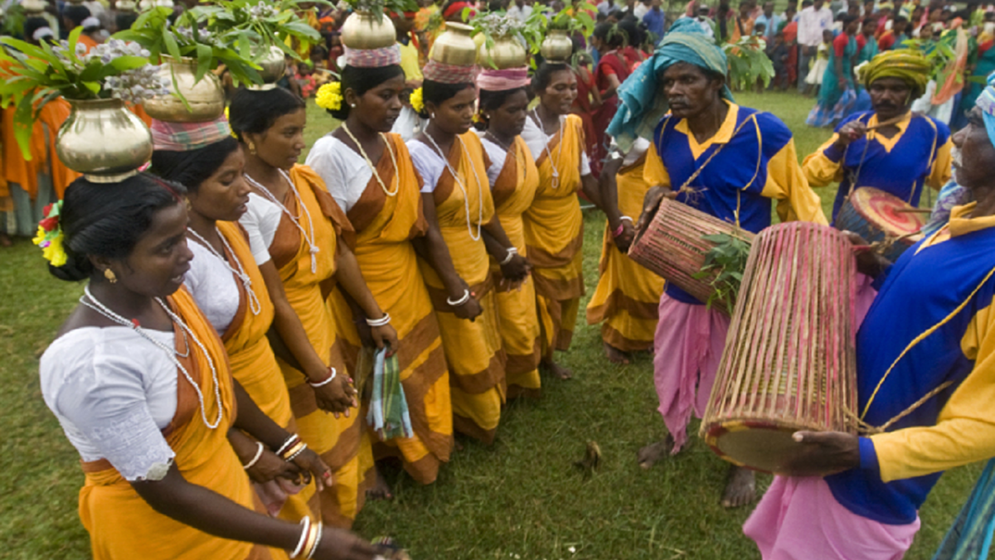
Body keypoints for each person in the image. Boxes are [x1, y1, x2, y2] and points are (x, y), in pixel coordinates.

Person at [37, 173, 381, 560]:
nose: (188, 254)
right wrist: (305, 540)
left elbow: (214, 377)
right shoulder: (92, 367)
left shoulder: (163, 296)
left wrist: (285, 442)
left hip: (222, 495)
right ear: (104, 260)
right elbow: (164, 490)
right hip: (166, 531)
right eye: (167, 246)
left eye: (183, 235)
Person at [743, 71, 995, 560]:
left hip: (871, 484)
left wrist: (864, 452)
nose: (960, 137)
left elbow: (985, 425)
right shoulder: (956, 220)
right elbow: (934, 309)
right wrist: (879, 269)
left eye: (976, 125)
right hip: (835, 435)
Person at [608, 17, 827, 508]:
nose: (675, 90)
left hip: (742, 279)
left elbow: (799, 204)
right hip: (681, 272)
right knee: (673, 360)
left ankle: (743, 463)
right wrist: (656, 195)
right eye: (668, 81)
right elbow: (658, 183)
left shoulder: (763, 133)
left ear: (716, 80)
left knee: (742, 370)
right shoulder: (667, 132)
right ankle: (675, 433)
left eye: (688, 79)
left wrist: (815, 262)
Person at [150, 117, 330, 521]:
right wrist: (241, 442)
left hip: (264, 382)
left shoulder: (232, 228)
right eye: (228, 180)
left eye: (243, 174)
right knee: (261, 508)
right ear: (183, 191)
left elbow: (264, 310)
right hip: (229, 402)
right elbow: (189, 370)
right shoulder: (177, 264)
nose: (246, 188)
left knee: (293, 491)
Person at [229, 86, 393, 527]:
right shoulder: (241, 203)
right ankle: (320, 521)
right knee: (309, 425)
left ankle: (351, 491)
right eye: (288, 133)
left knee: (339, 414)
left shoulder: (302, 179)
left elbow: (340, 252)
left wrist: (375, 313)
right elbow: (273, 299)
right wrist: (314, 372)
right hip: (284, 335)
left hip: (319, 316)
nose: (301, 142)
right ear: (249, 137)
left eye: (301, 131)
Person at [306, 45, 454, 484]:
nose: (395, 106)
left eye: (400, 96)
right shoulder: (328, 154)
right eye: (385, 96)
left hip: (404, 276)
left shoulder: (395, 144)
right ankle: (379, 463)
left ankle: (427, 446)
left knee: (417, 363)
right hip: (361, 283)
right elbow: (335, 244)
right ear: (352, 97)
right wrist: (367, 311)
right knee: (371, 371)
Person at [407, 57, 513, 444]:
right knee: (464, 344)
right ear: (431, 108)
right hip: (446, 262)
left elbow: (483, 207)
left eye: (472, 104)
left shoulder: (469, 141)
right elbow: (427, 230)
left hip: (475, 253)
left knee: (483, 335)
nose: (470, 113)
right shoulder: (417, 153)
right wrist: (454, 287)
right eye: (459, 107)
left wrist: (505, 251)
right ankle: (475, 422)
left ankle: (493, 406)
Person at [804, 49, 952, 221]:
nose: (885, 97)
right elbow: (810, 177)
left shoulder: (933, 132)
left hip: (902, 234)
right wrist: (838, 145)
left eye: (897, 89)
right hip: (845, 231)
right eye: (878, 88)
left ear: (913, 93)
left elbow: (954, 184)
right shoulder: (853, 124)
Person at [523, 59, 601, 381]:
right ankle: (536, 357)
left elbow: (587, 178)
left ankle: (550, 353)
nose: (569, 94)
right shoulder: (520, 127)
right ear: (539, 90)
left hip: (568, 221)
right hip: (534, 222)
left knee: (563, 297)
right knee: (540, 298)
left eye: (572, 87)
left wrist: (616, 214)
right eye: (559, 88)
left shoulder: (573, 125)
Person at [476, 65, 544, 398]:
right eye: (512, 110)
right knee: (506, 315)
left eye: (524, 109)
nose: (521, 117)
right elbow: (479, 213)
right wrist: (504, 254)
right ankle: (509, 381)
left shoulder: (518, 144)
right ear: (487, 111)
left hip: (518, 237)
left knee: (522, 311)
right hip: (495, 245)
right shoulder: (480, 151)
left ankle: (526, 375)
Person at [586, 136, 665, 364]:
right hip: (629, 201)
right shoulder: (629, 125)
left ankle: (651, 335)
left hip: (658, 200)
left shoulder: (676, 121)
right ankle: (617, 338)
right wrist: (617, 221)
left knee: (658, 275)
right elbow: (607, 174)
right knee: (634, 274)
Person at [806, 15, 861, 127]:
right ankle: (826, 120)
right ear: (847, 24)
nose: (857, 26)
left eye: (858, 24)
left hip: (847, 71)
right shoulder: (840, 39)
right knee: (832, 97)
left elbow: (852, 59)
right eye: (854, 23)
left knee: (849, 97)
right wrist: (840, 78)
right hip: (835, 72)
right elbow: (838, 59)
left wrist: (853, 75)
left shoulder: (853, 40)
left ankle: (839, 118)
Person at [591, 22, 630, 178]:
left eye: (594, 38)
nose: (592, 41)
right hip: (621, 105)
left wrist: (600, 98)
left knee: (604, 146)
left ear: (601, 40)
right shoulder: (619, 57)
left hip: (608, 108)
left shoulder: (607, 61)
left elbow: (615, 85)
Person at [797, 0, 834, 91]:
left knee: (820, 67)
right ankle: (802, 88)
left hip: (821, 45)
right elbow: (801, 28)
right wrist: (803, 44)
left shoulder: (827, 13)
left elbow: (829, 28)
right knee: (803, 66)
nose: (820, 3)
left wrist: (824, 44)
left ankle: (818, 89)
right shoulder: (805, 12)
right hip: (807, 44)